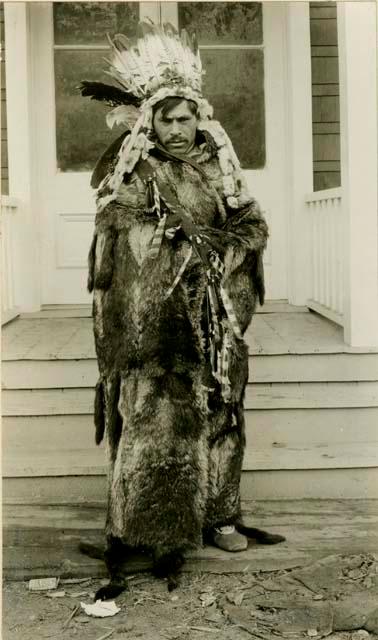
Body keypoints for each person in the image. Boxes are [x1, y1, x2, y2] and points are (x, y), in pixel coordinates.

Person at [80, 22, 284, 601]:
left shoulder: (223, 170)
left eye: (185, 117)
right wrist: (171, 244)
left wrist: (221, 251)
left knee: (222, 413)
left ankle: (218, 514)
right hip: (155, 326)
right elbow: (117, 236)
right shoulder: (134, 173)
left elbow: (251, 225)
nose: (176, 128)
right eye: (165, 118)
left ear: (200, 119)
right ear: (150, 122)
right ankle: (141, 523)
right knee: (151, 421)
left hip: (216, 320)